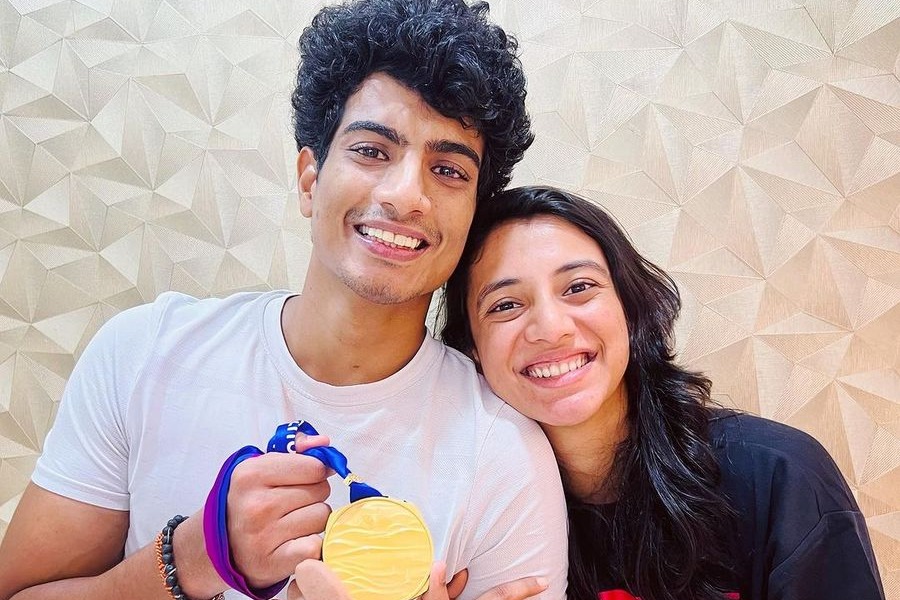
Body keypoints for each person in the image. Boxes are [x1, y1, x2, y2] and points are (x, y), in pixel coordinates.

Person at [0, 2, 570, 599]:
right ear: (309, 179)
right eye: (372, 150)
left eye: (449, 170)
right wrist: (196, 555)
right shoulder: (144, 352)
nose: (407, 195)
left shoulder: (503, 454)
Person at [440, 186, 886, 600]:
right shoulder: (473, 524)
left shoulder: (780, 476)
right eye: (506, 305)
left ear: (630, 308)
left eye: (578, 288)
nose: (551, 328)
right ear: (471, 349)